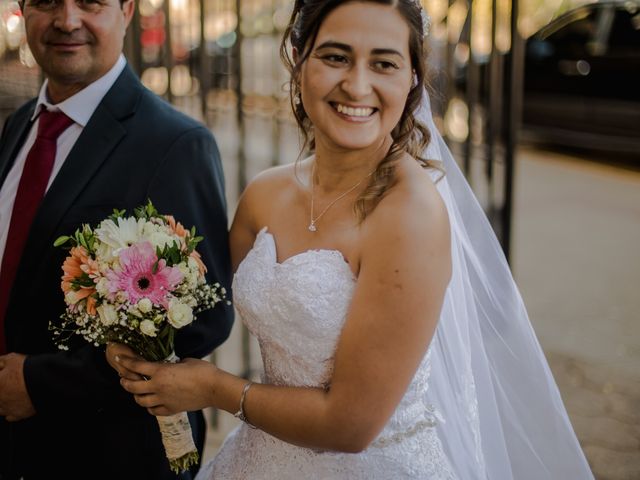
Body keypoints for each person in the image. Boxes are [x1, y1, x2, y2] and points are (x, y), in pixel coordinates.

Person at [109, 0, 595, 478]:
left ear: (412, 79)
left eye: (383, 63)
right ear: (299, 63)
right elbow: (199, 309)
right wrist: (130, 328)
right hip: (259, 457)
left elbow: (350, 425)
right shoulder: (265, 193)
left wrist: (215, 389)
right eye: (335, 57)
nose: (357, 85)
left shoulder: (410, 216)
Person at [0, 0, 233, 477]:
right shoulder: (20, 124)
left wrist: (40, 384)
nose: (67, 21)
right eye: (47, 2)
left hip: (106, 453)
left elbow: (203, 321)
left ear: (127, 10)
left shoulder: (175, 144)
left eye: (90, 2)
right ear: (24, 10)